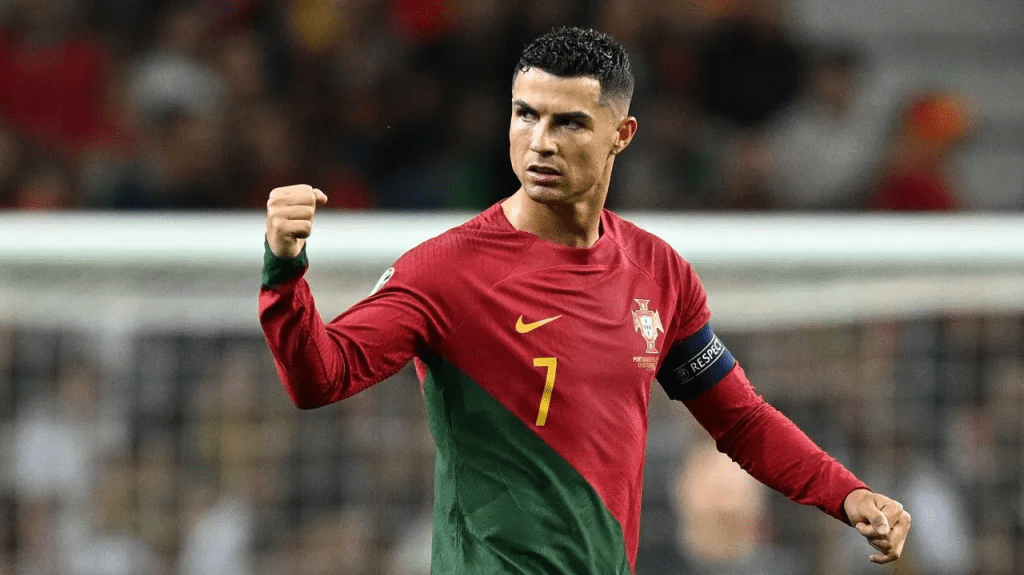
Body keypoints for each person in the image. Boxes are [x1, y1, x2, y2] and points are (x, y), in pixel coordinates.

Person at [258, 27, 911, 573]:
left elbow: (739, 420)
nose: (540, 140)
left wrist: (846, 494)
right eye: (526, 114)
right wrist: (284, 272)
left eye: (568, 121)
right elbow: (321, 377)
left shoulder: (659, 272)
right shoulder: (446, 271)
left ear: (621, 134)